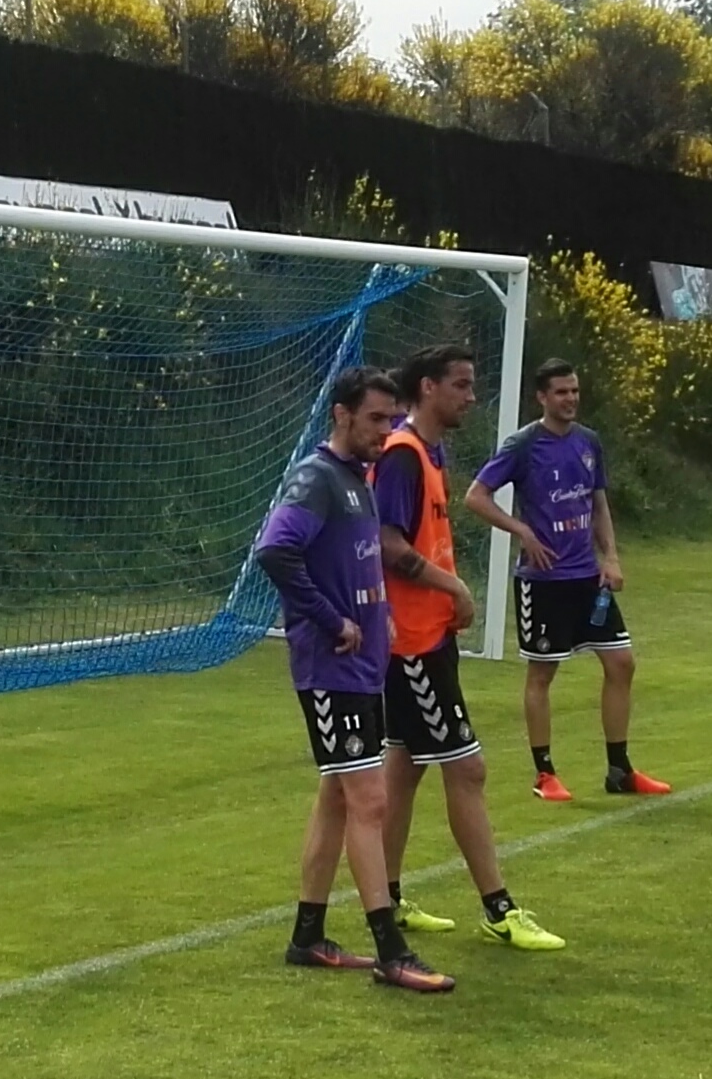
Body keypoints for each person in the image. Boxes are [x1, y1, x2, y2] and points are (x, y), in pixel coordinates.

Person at [252, 367, 454, 993]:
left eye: (391, 419)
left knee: (339, 797)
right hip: (330, 668)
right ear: (341, 415)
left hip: (362, 666)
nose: (385, 430)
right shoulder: (316, 479)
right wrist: (331, 617)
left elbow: (356, 561)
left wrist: (380, 614)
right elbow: (274, 551)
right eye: (374, 419)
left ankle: (308, 937)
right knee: (370, 801)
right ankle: (392, 951)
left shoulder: (360, 480)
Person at [372, 345, 563, 952]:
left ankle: (389, 897)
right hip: (414, 644)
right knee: (468, 767)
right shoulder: (403, 456)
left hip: (431, 636)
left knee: (405, 767)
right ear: (428, 388)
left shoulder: (431, 452)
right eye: (461, 385)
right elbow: (386, 543)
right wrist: (452, 585)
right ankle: (499, 909)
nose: (470, 396)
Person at [462, 358, 667, 802]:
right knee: (542, 674)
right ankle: (545, 774)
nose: (570, 399)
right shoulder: (523, 445)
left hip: (587, 578)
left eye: (574, 391)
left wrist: (610, 557)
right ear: (542, 397)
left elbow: (598, 503)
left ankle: (619, 770)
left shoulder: (589, 442)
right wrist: (521, 530)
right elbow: (476, 497)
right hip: (544, 582)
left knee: (622, 663)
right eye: (561, 392)